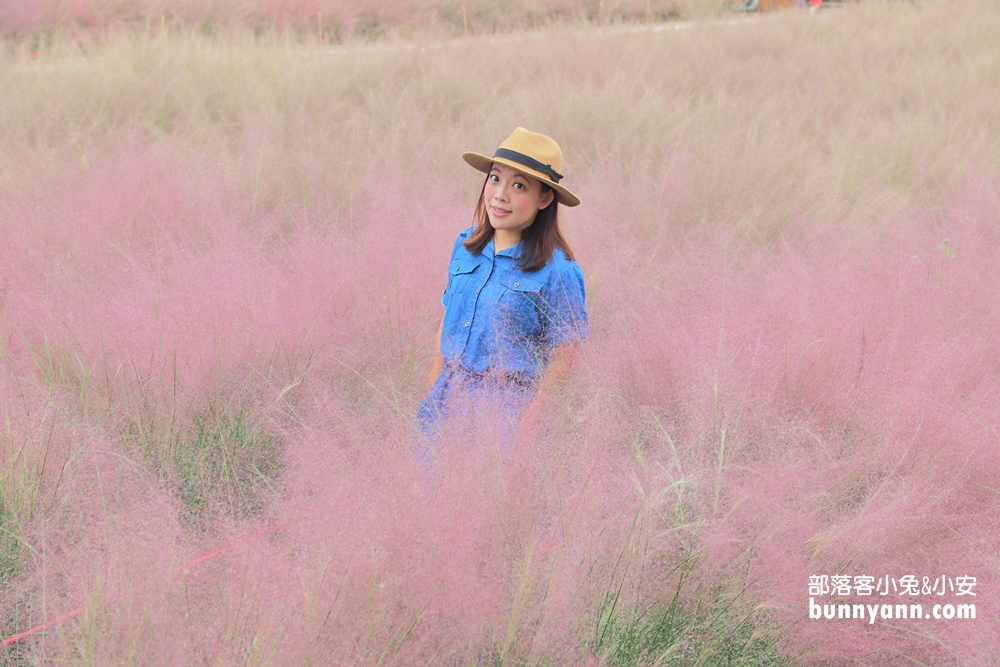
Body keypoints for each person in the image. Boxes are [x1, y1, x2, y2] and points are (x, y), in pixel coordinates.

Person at [416, 127, 589, 467]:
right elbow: (447, 320)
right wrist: (430, 395)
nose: (500, 195)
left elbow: (566, 356)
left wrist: (525, 431)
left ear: (544, 199)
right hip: (446, 399)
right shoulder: (465, 246)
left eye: (519, 185)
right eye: (495, 179)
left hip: (505, 413)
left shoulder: (558, 271)